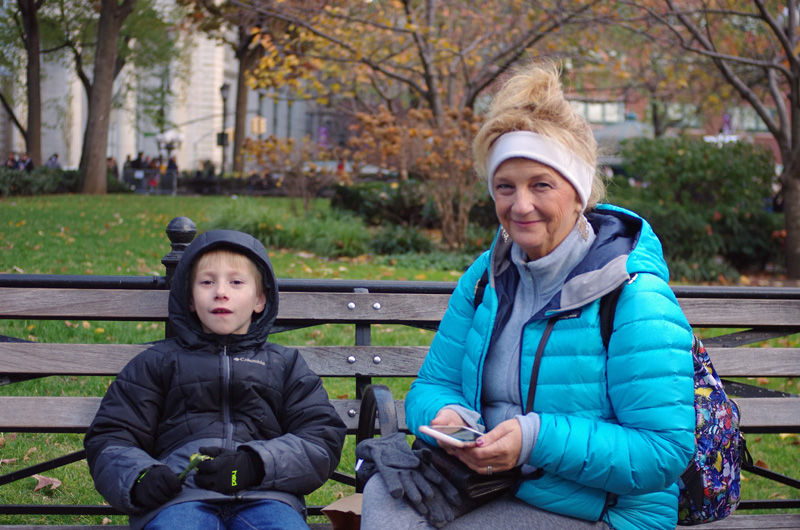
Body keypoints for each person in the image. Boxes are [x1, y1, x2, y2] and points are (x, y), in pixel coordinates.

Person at [360, 61, 695, 530]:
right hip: (491, 483)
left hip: (603, 510)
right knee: (383, 501)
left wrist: (534, 439)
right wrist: (446, 416)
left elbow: (663, 452)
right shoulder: (485, 278)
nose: (520, 206)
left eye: (541, 185)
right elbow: (430, 387)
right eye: (505, 187)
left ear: (579, 194)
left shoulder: (634, 296)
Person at [84, 230, 347, 530]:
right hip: (180, 499)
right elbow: (111, 436)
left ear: (260, 299)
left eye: (236, 282)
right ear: (191, 300)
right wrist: (141, 476)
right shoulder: (157, 362)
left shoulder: (284, 365)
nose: (220, 291)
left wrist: (253, 465)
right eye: (207, 282)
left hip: (266, 497)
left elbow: (321, 437)